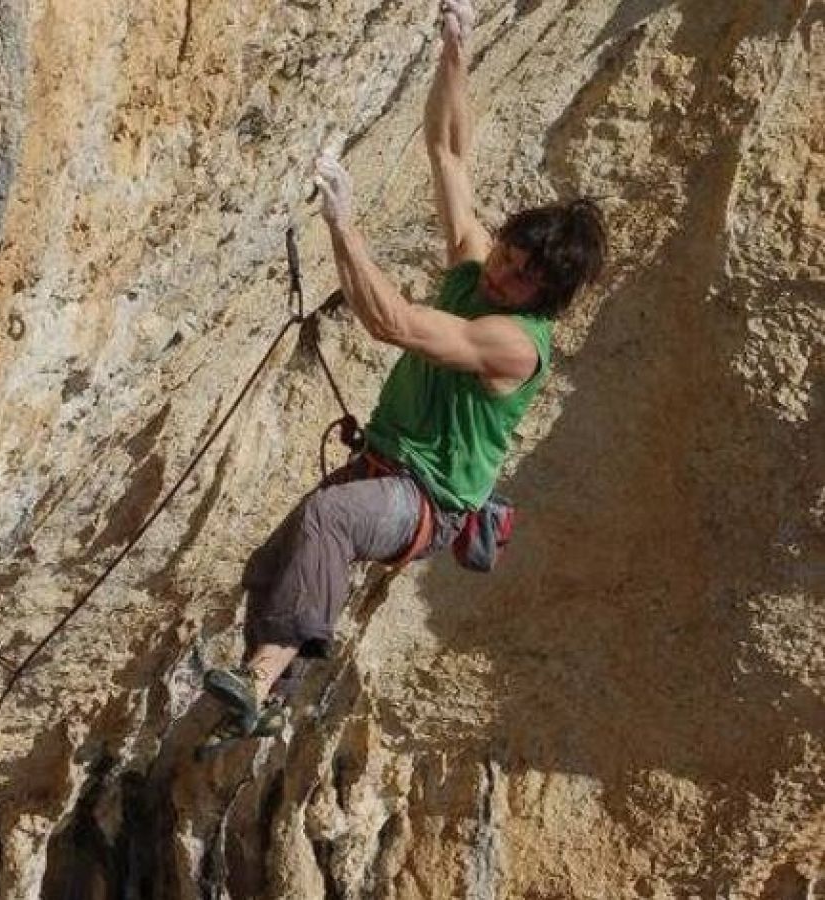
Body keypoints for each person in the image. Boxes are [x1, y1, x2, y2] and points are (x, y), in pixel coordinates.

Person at [202, 0, 608, 737]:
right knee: (271, 562)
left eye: (520, 280)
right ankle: (265, 692)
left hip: (425, 499)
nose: (502, 276)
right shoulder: (479, 274)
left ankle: (260, 680)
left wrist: (342, 223)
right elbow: (450, 153)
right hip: (382, 466)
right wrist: (457, 50)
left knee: (326, 519)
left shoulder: (515, 344)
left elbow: (390, 323)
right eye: (508, 257)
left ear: (544, 301)